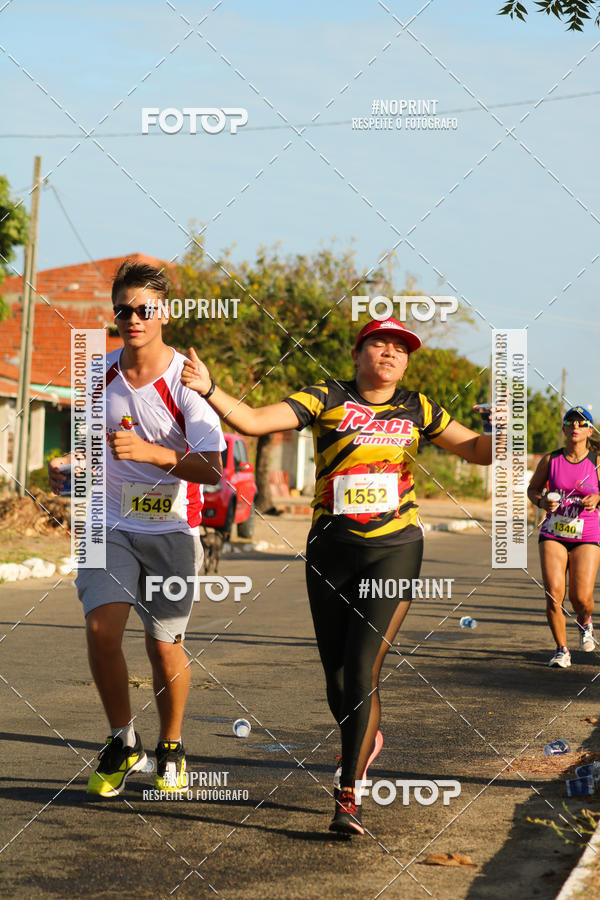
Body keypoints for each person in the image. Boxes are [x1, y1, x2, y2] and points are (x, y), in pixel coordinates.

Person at [181, 317, 496, 835]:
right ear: (357, 354)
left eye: (400, 348)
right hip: (331, 548)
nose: (390, 353)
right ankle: (364, 737)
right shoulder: (325, 397)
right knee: (337, 677)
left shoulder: (418, 407)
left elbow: (476, 452)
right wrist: (210, 388)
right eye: (380, 344)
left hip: (395, 548)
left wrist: (504, 431)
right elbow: (255, 421)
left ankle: (349, 792)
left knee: (362, 669)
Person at [49, 260, 225, 797]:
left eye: (145, 310)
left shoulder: (186, 381)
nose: (133, 319)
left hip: (172, 528)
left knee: (163, 645)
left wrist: (152, 453)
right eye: (123, 310)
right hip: (107, 523)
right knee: (101, 631)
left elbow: (213, 468)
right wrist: (71, 468)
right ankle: (124, 741)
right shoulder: (96, 373)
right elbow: (90, 446)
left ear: (164, 314)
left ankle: (171, 744)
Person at [527, 406, 600, 669]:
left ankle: (584, 620)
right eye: (570, 422)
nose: (575, 427)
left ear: (590, 431)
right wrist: (542, 501)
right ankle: (562, 649)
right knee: (554, 594)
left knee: (581, 598)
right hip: (553, 533)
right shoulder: (551, 460)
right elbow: (533, 489)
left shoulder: (596, 461)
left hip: (587, 534)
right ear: (564, 429)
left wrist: (597, 497)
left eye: (581, 423)